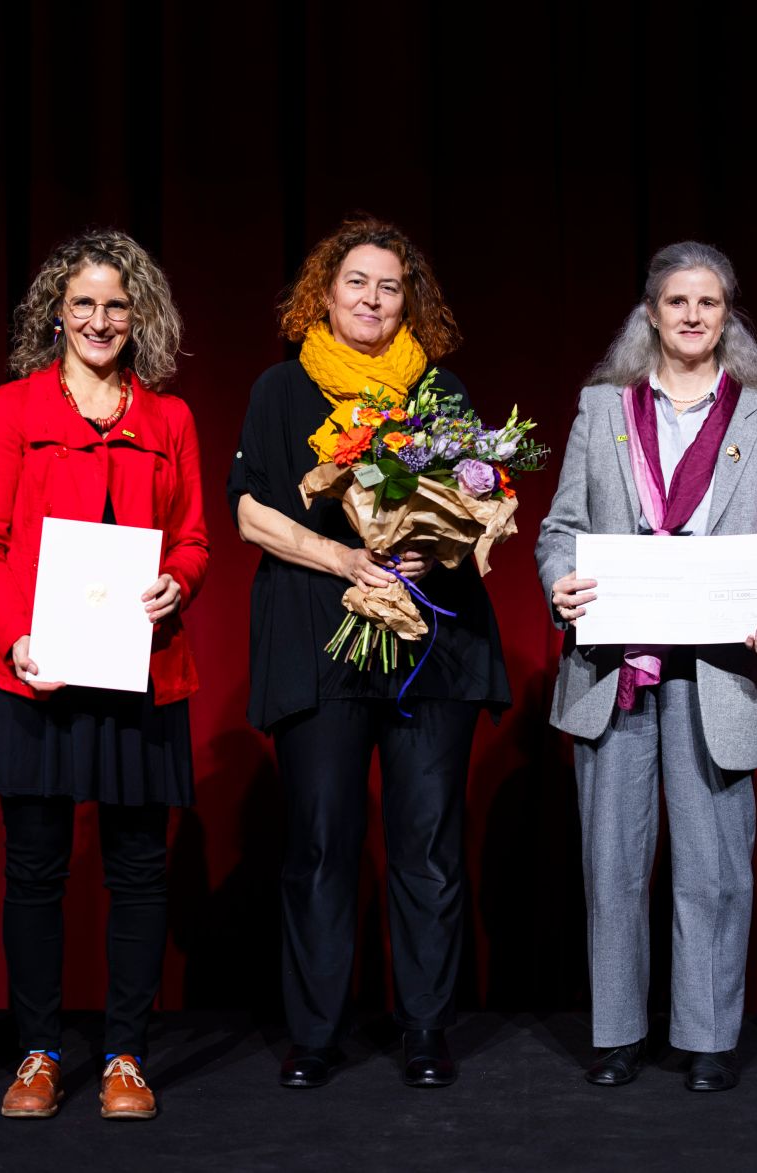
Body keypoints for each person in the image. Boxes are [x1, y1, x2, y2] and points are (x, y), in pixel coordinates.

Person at [229, 217, 509, 1089]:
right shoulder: (280, 390)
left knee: (426, 841)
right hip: (323, 637)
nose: (373, 299)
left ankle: (425, 1026)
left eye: (390, 287)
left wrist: (438, 542)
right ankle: (316, 1031)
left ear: (408, 301)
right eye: (357, 282)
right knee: (320, 841)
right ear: (325, 290)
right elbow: (248, 512)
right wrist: (346, 556)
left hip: (433, 641)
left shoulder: (439, 391)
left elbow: (482, 502)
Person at [535, 242, 757, 1093]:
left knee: (715, 864)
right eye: (677, 301)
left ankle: (708, 1036)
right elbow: (559, 529)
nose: (693, 316)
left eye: (711, 303)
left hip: (721, 672)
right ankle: (617, 1032)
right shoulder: (601, 407)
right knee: (612, 863)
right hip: (615, 668)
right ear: (649, 312)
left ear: (729, 317)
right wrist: (561, 585)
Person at [0, 231, 205, 1122]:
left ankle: (126, 1055)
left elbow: (193, 541)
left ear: (140, 315)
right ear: (55, 314)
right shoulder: (13, 411)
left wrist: (181, 579)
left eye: (116, 304)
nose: (99, 320)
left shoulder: (168, 419)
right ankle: (37, 1050)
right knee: (34, 869)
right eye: (84, 304)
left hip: (140, 675)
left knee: (139, 870)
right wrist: (16, 634)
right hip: (34, 673)